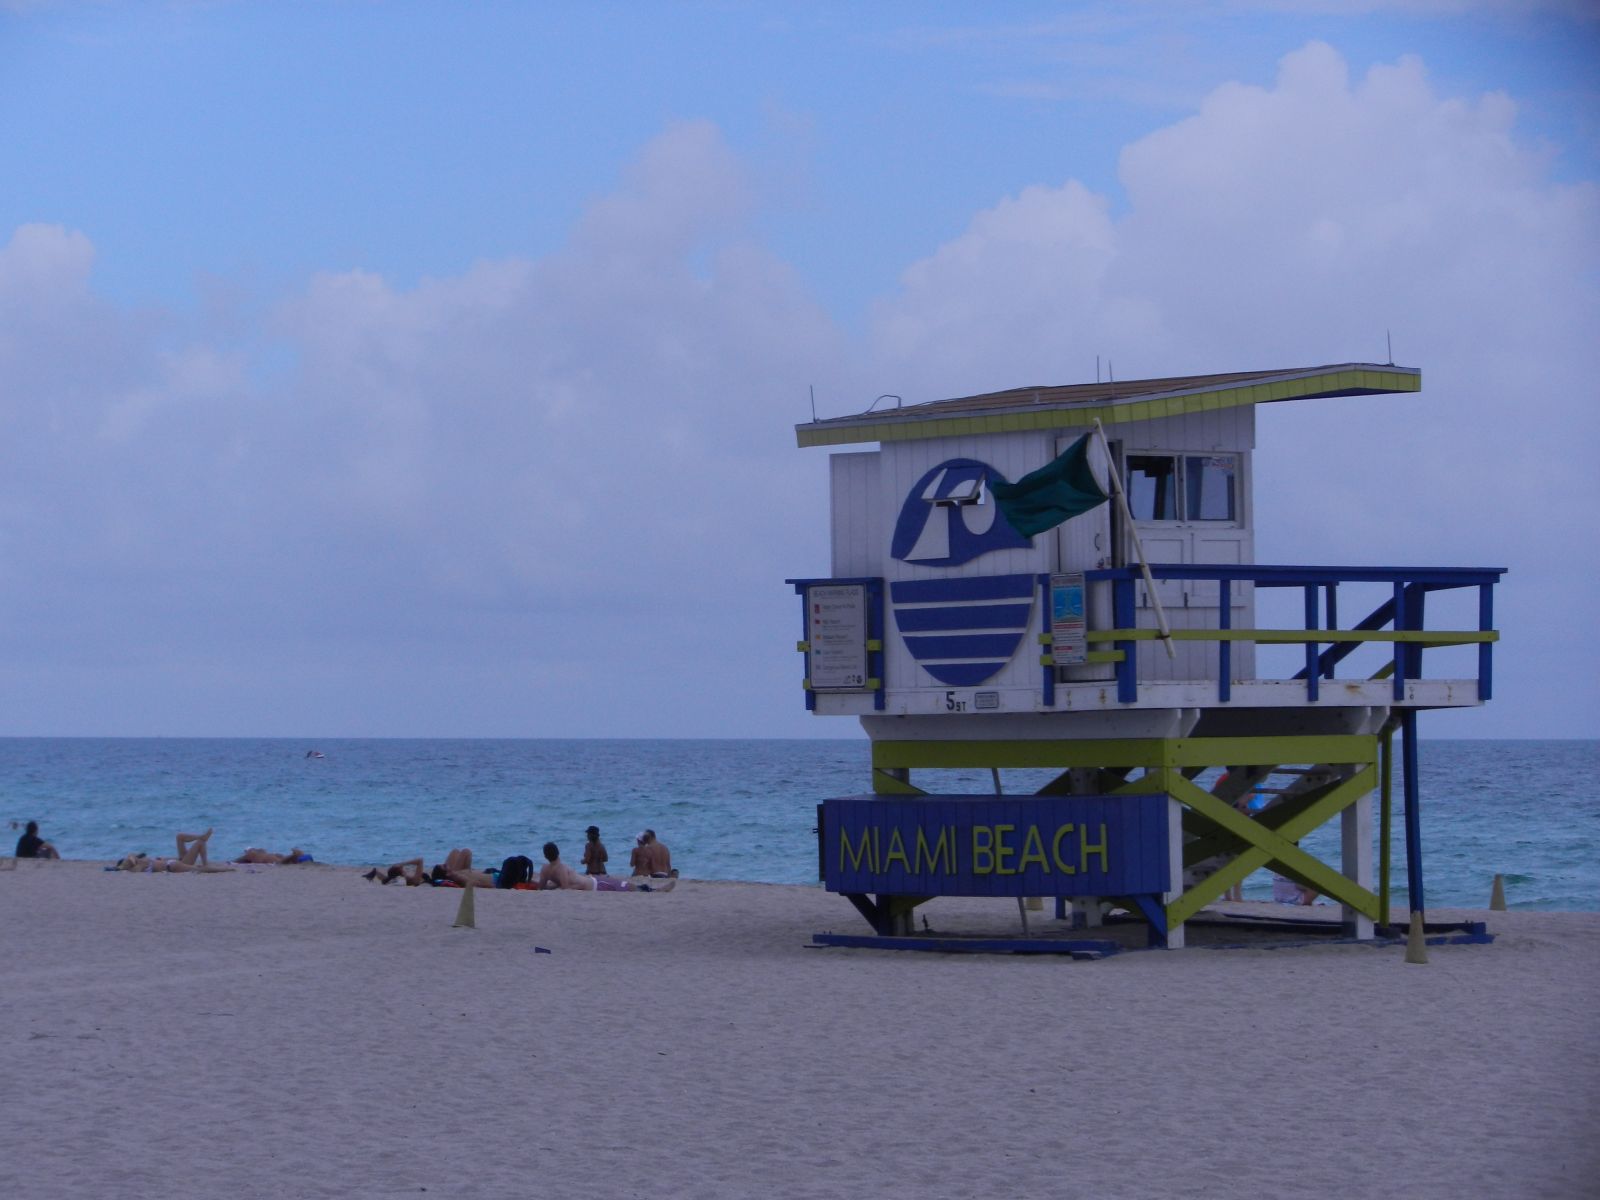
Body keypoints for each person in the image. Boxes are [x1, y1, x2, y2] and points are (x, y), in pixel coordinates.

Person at [539, 842, 671, 892]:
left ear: (545, 856)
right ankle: (654, 890)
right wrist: (559, 886)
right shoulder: (561, 868)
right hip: (595, 885)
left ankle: (650, 889)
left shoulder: (545, 869)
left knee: (622, 884)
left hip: (593, 880)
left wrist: (553, 886)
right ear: (558, 852)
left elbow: (542, 887)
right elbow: (566, 888)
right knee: (623, 885)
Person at [116, 828, 232, 873]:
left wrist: (129, 861)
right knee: (199, 865)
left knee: (179, 836)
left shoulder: (139, 859)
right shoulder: (137, 867)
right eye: (126, 861)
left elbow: (131, 856)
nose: (128, 859)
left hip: (176, 861)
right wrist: (122, 867)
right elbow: (131, 864)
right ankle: (211, 866)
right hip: (174, 865)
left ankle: (201, 836)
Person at [364, 857, 431, 886]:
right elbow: (420, 860)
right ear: (402, 874)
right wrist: (402, 863)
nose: (404, 870)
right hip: (422, 880)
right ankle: (375, 872)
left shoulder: (391, 879)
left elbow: (385, 878)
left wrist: (400, 866)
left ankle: (375, 871)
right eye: (402, 870)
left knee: (385, 878)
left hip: (391, 877)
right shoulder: (415, 880)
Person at [234, 846, 314, 864]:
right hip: (270, 859)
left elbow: (236, 861)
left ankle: (295, 856)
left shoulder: (252, 854)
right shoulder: (254, 854)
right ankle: (295, 856)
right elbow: (238, 861)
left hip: (271, 859)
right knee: (280, 860)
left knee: (280, 860)